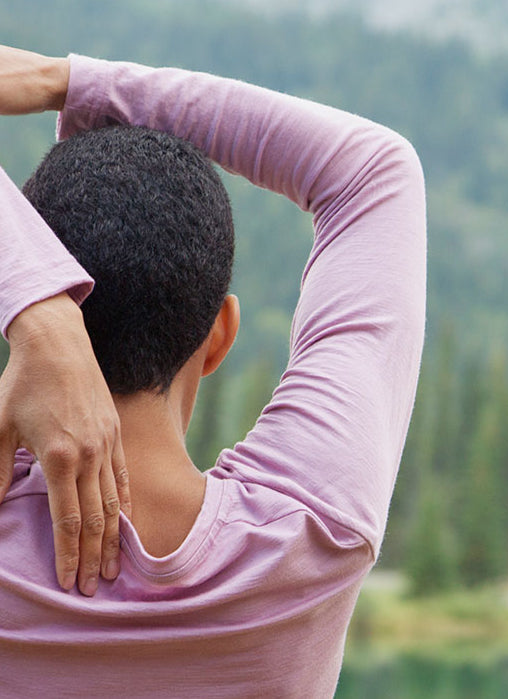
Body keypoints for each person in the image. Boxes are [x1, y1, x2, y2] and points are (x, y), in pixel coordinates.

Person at [0, 44, 426, 697]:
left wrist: (39, 308)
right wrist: (68, 80)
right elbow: (372, 169)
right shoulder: (310, 527)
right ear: (219, 334)